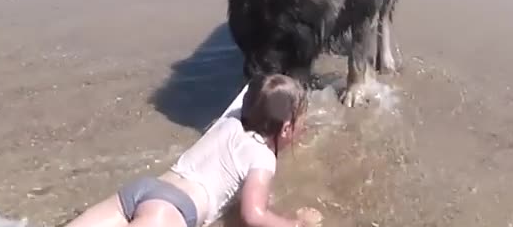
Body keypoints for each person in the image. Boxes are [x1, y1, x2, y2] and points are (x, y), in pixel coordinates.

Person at [65, 74, 323, 227]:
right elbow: (253, 214)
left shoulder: (230, 121)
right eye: (302, 120)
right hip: (170, 212)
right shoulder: (263, 156)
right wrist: (295, 224)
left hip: (142, 190)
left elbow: (252, 94)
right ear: (287, 129)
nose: (305, 127)